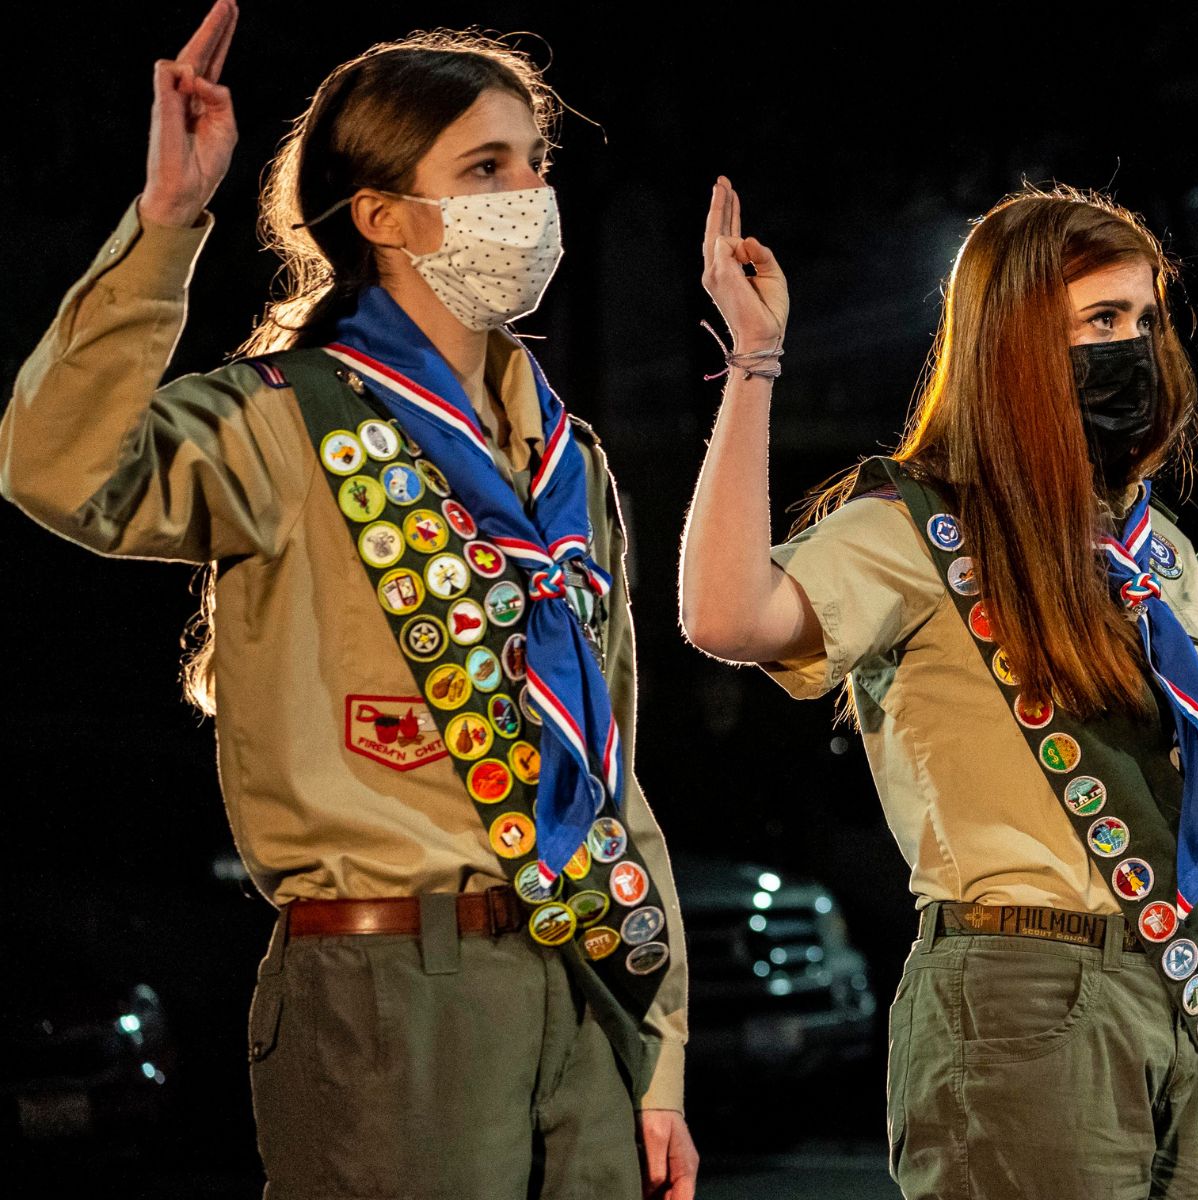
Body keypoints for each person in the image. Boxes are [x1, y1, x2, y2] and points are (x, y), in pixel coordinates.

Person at [0, 6, 697, 1196]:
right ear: (380, 216)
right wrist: (167, 225)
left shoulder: (566, 461)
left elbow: (611, 764)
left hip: (588, 982)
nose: (528, 195)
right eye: (485, 168)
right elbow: (59, 469)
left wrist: (662, 1055)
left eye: (535, 163)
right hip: (389, 984)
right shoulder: (280, 420)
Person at [680, 180, 1198, 1198]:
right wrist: (753, 366)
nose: (1136, 348)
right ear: (1014, 348)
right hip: (1023, 988)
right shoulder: (918, 528)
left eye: (1144, 318)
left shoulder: (1155, 554)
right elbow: (725, 616)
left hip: (1186, 992)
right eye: (1101, 320)